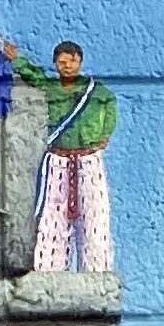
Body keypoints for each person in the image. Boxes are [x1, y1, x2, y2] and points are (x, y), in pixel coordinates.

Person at [8, 34, 117, 275]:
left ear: (79, 61)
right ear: (55, 64)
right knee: (52, 218)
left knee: (94, 217)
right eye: (61, 62)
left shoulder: (99, 93)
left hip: (88, 161)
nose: (66, 66)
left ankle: (96, 273)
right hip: (57, 161)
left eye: (71, 61)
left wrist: (100, 140)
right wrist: (16, 60)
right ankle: (50, 272)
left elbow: (109, 120)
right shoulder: (50, 89)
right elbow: (33, 76)